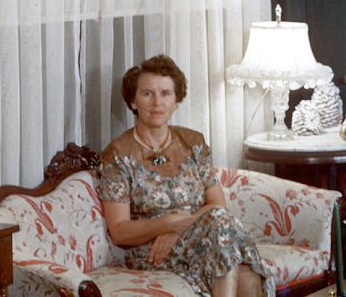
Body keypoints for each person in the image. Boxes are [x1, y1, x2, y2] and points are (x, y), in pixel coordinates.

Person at [98, 54, 273, 297]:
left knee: (238, 260)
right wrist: (166, 224)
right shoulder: (117, 155)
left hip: (206, 237)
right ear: (133, 101)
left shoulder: (193, 143)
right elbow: (119, 230)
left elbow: (217, 205)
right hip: (149, 249)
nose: (157, 102)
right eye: (147, 93)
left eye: (166, 93)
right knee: (229, 240)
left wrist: (178, 228)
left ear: (176, 101)